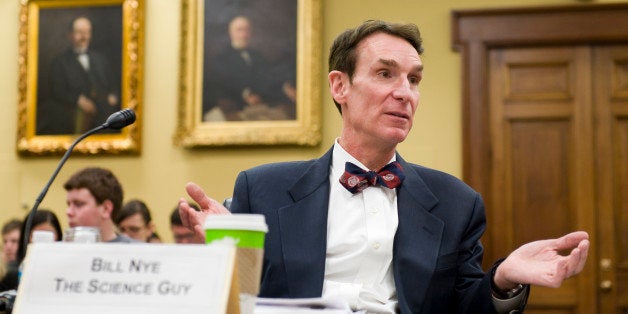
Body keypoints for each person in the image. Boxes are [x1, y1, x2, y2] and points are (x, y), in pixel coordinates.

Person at [179, 20, 590, 313]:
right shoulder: (263, 188)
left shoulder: (456, 202)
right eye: (384, 74)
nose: (404, 93)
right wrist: (218, 258)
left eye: (414, 79)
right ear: (340, 86)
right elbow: (242, 298)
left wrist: (504, 279)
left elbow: (466, 306)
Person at [37, 16, 119, 135]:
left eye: (87, 33)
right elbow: (57, 90)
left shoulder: (100, 59)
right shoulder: (60, 62)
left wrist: (113, 96)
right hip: (75, 113)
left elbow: (113, 86)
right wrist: (77, 100)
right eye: (79, 33)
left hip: (104, 111)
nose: (83, 37)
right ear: (70, 35)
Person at [203, 15, 294, 122]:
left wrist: (285, 87)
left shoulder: (257, 56)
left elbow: (269, 77)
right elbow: (222, 86)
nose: (244, 35)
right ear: (230, 33)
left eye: (247, 30)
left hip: (260, 105)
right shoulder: (222, 58)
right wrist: (246, 95)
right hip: (236, 106)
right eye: (239, 30)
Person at [64, 167, 135, 243]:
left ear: (106, 209)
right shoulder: (57, 251)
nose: (69, 212)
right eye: (69, 205)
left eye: (78, 204)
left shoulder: (137, 252)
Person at [0, 209, 62, 291]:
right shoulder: (11, 275)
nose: (42, 241)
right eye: (37, 235)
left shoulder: (64, 271)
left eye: (48, 235)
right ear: (26, 238)